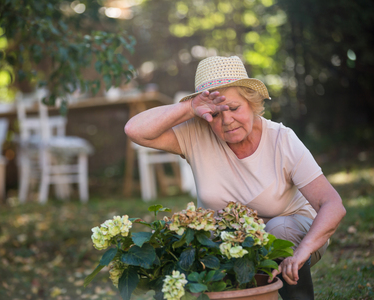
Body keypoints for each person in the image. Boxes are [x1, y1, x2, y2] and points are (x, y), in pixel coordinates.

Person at [124, 56, 346, 299]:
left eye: (233, 108)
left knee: (278, 230)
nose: (226, 121)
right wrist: (189, 107)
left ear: (251, 102)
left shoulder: (282, 139)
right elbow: (135, 130)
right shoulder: (196, 134)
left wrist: (301, 252)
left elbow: (332, 205)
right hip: (229, 242)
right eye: (216, 114)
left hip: (291, 235)